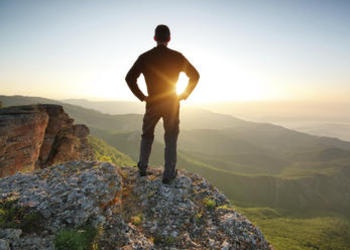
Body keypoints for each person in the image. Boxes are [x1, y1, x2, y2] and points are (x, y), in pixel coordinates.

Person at [125, 24, 200, 184]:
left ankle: (143, 168)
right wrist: (184, 94)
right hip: (172, 103)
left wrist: (143, 97)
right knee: (171, 137)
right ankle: (169, 173)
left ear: (154, 38)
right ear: (169, 39)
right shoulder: (178, 57)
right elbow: (195, 75)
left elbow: (129, 78)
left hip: (153, 102)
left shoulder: (145, 57)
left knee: (147, 135)